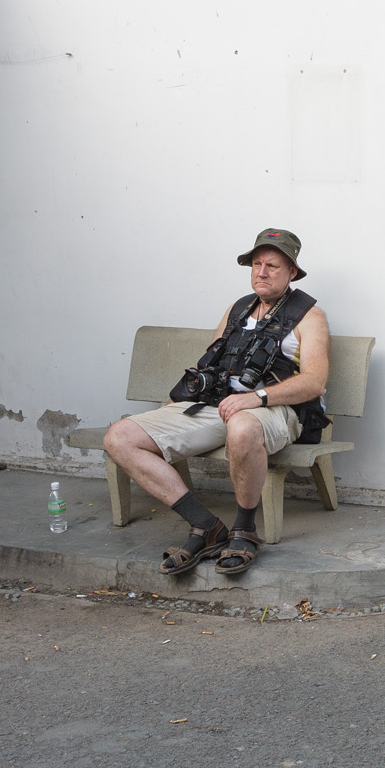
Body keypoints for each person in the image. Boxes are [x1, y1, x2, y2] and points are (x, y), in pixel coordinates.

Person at [103, 228, 330, 577]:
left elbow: (315, 382)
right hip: (219, 405)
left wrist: (257, 397)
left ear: (292, 273)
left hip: (277, 409)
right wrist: (175, 404)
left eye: (272, 265)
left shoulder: (310, 317)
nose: (262, 272)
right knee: (120, 437)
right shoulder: (238, 309)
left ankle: (244, 529)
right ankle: (205, 526)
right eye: (256, 264)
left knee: (240, 426)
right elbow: (211, 363)